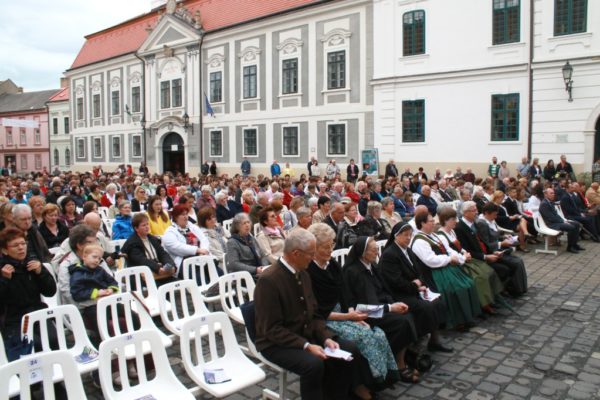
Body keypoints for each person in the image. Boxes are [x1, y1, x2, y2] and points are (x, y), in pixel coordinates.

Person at [255, 229, 365, 400]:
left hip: (303, 333)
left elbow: (314, 314)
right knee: (313, 364)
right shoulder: (269, 280)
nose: (314, 257)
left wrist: (325, 337)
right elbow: (271, 329)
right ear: (296, 253)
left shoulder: (303, 273)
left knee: (348, 349)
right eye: (311, 254)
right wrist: (306, 345)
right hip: (275, 343)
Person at [307, 223, 399, 394]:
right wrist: (348, 318)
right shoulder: (309, 271)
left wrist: (351, 312)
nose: (330, 250)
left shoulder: (332, 264)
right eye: (325, 247)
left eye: (332, 245)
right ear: (314, 248)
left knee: (377, 333)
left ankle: (377, 380)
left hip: (342, 312)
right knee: (362, 337)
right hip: (326, 319)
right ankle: (360, 386)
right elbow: (317, 312)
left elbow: (344, 292)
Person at [343, 236, 420, 382]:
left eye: (377, 249)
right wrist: (390, 307)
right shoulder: (354, 272)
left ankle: (401, 357)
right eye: (373, 250)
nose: (377, 253)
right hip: (367, 314)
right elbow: (361, 307)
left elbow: (384, 291)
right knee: (402, 322)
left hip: (381, 308)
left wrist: (392, 304)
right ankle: (399, 364)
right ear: (362, 253)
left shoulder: (372, 266)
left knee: (409, 314)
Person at [410, 213, 481, 330]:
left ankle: (466, 316)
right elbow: (430, 260)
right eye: (431, 221)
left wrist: (460, 258)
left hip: (444, 267)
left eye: (433, 221)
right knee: (456, 289)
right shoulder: (419, 241)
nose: (434, 223)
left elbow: (448, 250)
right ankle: (456, 321)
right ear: (422, 223)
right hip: (433, 273)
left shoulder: (433, 235)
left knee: (469, 283)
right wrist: (449, 259)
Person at [437, 207, 503, 315]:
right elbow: (450, 253)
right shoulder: (441, 235)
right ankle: (484, 304)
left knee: (488, 270)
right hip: (456, 263)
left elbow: (460, 248)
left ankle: (491, 298)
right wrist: (463, 256)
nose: (456, 221)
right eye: (453, 219)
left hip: (463, 258)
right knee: (479, 278)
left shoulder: (452, 231)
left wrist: (465, 252)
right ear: (445, 220)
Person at [0, 227, 57, 348]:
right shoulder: (3, 270)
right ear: (5, 250)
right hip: (14, 321)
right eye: (15, 245)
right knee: (34, 345)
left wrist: (41, 272)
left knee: (53, 340)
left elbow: (51, 292)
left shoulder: (32, 264)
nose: (21, 248)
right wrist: (4, 280)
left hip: (38, 314)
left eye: (23, 243)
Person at [455, 201, 527, 297]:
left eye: (476, 209)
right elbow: (467, 250)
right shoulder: (461, 228)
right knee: (505, 268)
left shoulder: (474, 223)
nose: (476, 212)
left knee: (512, 263)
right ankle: (499, 292)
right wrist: (486, 256)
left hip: (487, 253)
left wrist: (494, 252)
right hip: (476, 260)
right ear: (465, 213)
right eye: (474, 210)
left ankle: (506, 290)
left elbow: (483, 242)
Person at [68, 244, 119, 345]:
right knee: (103, 326)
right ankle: (104, 346)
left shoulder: (100, 270)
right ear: (84, 257)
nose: (97, 260)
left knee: (132, 314)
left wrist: (111, 289)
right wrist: (96, 293)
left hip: (107, 302)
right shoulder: (77, 274)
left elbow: (113, 281)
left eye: (99, 258)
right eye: (94, 257)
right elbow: (76, 293)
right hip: (90, 306)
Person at [475, 203, 528, 296]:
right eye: (494, 214)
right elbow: (486, 243)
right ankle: (515, 289)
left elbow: (494, 235)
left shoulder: (490, 220)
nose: (496, 217)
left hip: (498, 248)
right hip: (491, 252)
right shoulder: (482, 223)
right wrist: (501, 243)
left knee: (518, 261)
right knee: (516, 263)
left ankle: (518, 288)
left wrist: (503, 237)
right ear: (487, 213)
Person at [122, 213, 177, 285]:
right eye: (143, 225)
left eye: (147, 224)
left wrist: (170, 265)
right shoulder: (132, 243)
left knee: (179, 284)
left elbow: (163, 253)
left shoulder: (152, 238)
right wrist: (157, 268)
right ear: (136, 228)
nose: (147, 227)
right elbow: (141, 260)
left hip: (158, 272)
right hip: (141, 276)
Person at [226, 213, 269, 278]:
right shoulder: (232, 242)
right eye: (244, 223)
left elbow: (262, 255)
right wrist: (255, 270)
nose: (247, 225)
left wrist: (264, 267)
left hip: (258, 270)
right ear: (237, 226)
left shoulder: (251, 238)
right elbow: (234, 264)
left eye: (248, 222)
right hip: (244, 275)